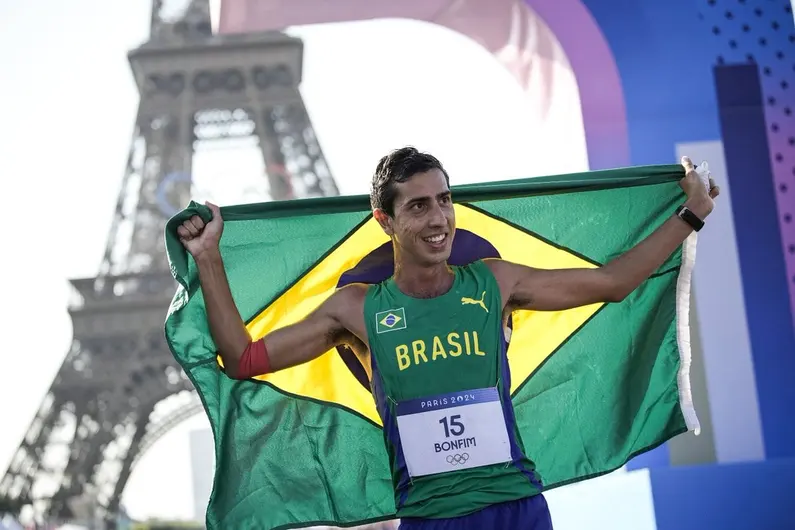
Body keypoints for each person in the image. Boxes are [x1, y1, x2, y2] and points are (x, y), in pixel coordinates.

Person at [177, 148, 719, 529]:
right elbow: (243, 358)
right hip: (431, 518)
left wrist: (690, 214)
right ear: (384, 220)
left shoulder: (495, 281)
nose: (439, 218)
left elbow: (614, 283)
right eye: (418, 206)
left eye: (444, 199)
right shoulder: (358, 310)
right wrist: (208, 259)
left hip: (516, 507)